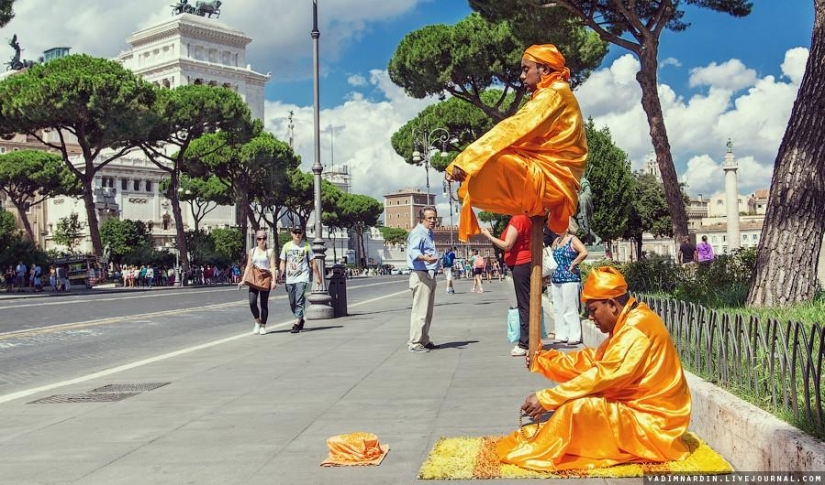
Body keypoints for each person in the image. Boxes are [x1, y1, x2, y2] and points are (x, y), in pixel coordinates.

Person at [496, 266, 692, 472]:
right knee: (574, 409)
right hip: (636, 411)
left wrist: (549, 398)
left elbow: (603, 375)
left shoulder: (636, 329)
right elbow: (593, 362)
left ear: (612, 305)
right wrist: (546, 360)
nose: (590, 317)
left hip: (654, 424)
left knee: (577, 408)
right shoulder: (629, 321)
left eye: (593, 310)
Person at [445, 44, 587, 241]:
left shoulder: (554, 93)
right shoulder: (555, 93)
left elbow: (514, 128)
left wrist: (467, 159)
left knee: (491, 160)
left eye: (526, 69)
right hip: (551, 180)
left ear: (544, 69)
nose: (521, 76)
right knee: (478, 172)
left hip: (551, 181)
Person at [481, 215, 532, 356]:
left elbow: (507, 245)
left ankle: (525, 343)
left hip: (520, 264)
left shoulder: (518, 219)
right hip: (524, 263)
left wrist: (488, 236)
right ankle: (529, 339)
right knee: (525, 303)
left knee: (524, 304)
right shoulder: (525, 219)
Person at [406, 206, 440, 353]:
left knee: (427, 311)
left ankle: (424, 339)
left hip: (429, 274)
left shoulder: (428, 233)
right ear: (422, 219)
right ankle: (415, 342)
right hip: (421, 274)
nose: (433, 221)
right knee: (420, 311)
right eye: (430, 218)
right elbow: (413, 251)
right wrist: (424, 257)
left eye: (434, 218)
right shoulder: (418, 232)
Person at [550, 218, 588, 346]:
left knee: (570, 307)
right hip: (556, 278)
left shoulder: (573, 239)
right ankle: (561, 334)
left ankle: (574, 334)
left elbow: (584, 252)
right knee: (558, 308)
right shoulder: (556, 241)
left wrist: (573, 263)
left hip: (570, 278)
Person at [279, 226, 321, 334]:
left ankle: (296, 323)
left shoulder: (307, 246)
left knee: (299, 300)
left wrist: (318, 276)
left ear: (302, 233)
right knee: (292, 302)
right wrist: (280, 274)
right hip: (290, 278)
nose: (297, 234)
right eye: (295, 232)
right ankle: (300, 318)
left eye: (299, 232)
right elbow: (283, 261)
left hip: (302, 277)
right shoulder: (286, 246)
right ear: (291, 234)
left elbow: (313, 262)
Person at [239, 229, 277, 335]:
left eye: (264, 238)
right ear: (256, 240)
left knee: (264, 304)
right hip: (254, 279)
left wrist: (274, 281)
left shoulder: (270, 252)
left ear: (266, 239)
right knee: (252, 302)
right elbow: (248, 266)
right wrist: (243, 280)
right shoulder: (252, 251)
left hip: (265, 279)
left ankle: (263, 326)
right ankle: (257, 321)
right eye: (259, 238)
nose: (262, 241)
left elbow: (273, 267)